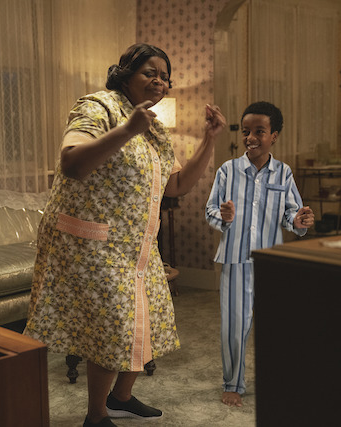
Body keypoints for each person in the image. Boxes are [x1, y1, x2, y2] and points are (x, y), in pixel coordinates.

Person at [24, 43, 226, 427]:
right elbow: (71, 164)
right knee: (113, 326)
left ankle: (121, 398)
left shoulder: (155, 129)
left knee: (148, 319)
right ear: (125, 74)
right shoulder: (97, 107)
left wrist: (209, 139)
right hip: (92, 244)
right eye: (150, 72)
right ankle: (96, 415)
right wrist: (127, 129)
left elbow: (177, 186)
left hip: (136, 246)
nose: (159, 81)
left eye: (165, 76)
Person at [205, 101, 314, 408]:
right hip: (235, 260)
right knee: (234, 327)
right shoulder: (227, 171)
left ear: (274, 136)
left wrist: (299, 221)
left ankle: (276, 379)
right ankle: (233, 384)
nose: (250, 137)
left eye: (259, 131)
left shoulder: (284, 173)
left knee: (276, 326)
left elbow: (291, 214)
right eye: (246, 131)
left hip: (271, 263)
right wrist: (223, 217)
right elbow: (211, 210)